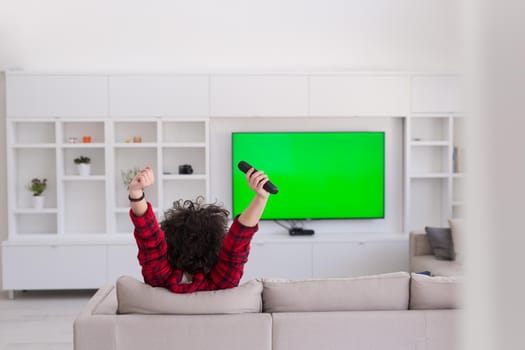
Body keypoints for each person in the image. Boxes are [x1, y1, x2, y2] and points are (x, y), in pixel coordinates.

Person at [128, 165, 270, 293]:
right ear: (217, 246)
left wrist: (136, 193)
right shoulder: (222, 284)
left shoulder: (159, 280)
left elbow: (150, 240)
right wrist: (261, 198)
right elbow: (237, 244)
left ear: (169, 242)